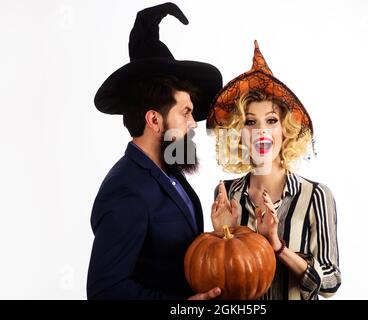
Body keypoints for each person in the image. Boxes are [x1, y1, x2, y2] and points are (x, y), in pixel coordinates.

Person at [87, 3, 223, 299]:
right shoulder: (126, 190)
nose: (193, 124)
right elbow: (105, 290)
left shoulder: (168, 171)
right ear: (154, 120)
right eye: (186, 113)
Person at [207, 41, 341, 300]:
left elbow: (331, 282)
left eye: (271, 121)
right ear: (238, 133)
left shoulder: (316, 196)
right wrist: (224, 236)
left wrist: (278, 246)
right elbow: (217, 275)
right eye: (250, 122)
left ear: (285, 130)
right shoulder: (226, 193)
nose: (261, 132)